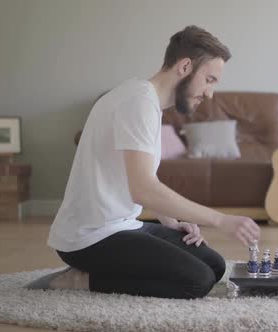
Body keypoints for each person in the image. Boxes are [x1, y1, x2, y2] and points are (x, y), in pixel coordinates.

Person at [27, 26, 261, 299]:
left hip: (122, 224)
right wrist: (221, 220)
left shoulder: (147, 101)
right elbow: (143, 189)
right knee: (197, 281)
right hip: (89, 237)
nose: (210, 93)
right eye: (209, 79)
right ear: (185, 66)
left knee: (214, 265)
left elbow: (142, 179)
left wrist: (171, 222)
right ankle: (80, 280)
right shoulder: (137, 102)